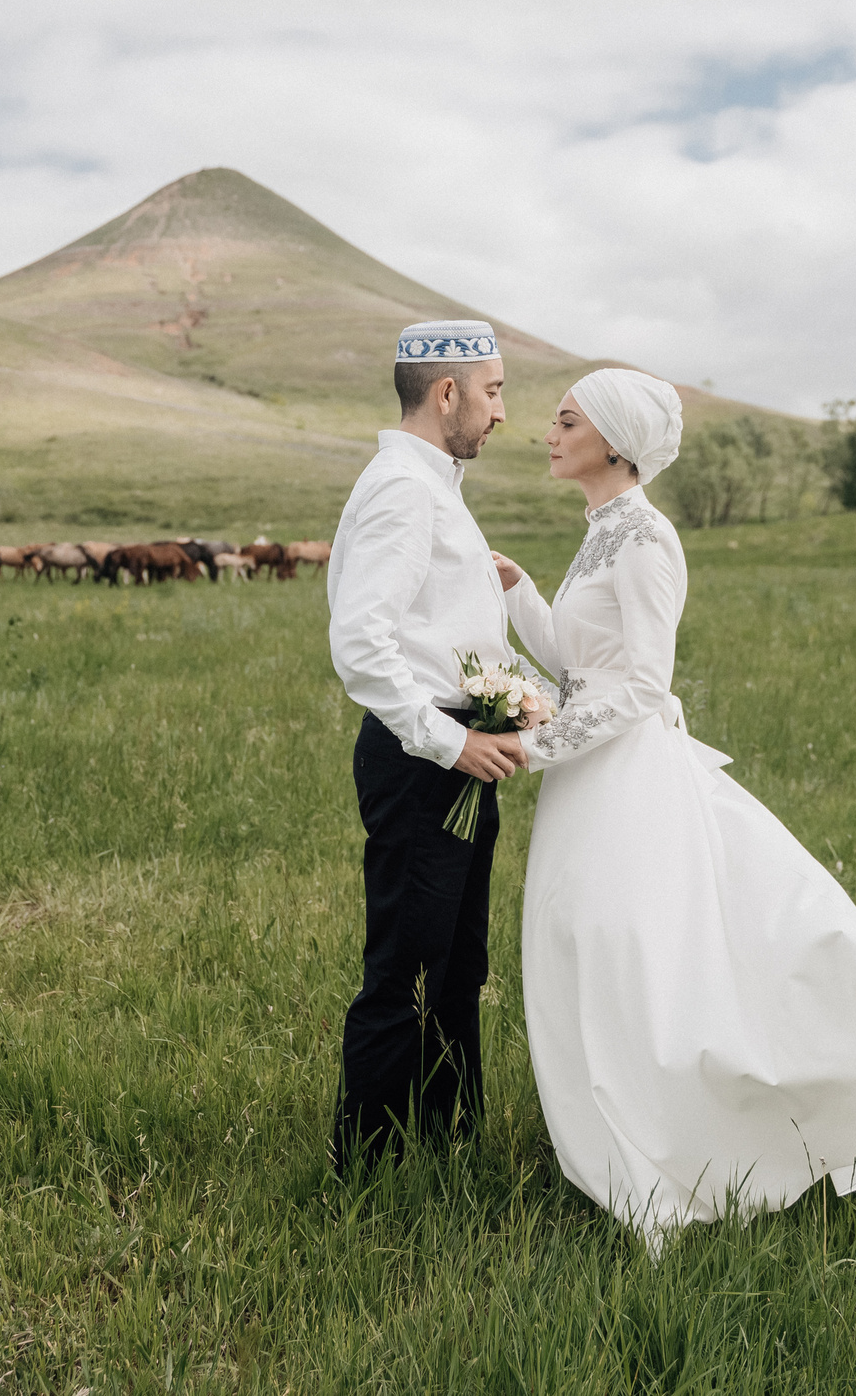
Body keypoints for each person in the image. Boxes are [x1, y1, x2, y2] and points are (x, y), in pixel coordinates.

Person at [492, 369, 856, 1247]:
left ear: (613, 441)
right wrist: (518, 593)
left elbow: (645, 681)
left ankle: (683, 1146)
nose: (547, 430)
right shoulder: (601, 531)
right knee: (585, 954)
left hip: (627, 779)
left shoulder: (648, 537)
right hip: (587, 780)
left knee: (636, 957)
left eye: (565, 419)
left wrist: (534, 747)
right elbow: (581, 663)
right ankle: (612, 1140)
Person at [324, 319, 526, 1170]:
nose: (502, 413)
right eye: (493, 392)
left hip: (457, 750)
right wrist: (451, 744)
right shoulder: (406, 489)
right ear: (446, 393)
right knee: (404, 969)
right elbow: (361, 642)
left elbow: (424, 624)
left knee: (457, 962)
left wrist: (487, 582)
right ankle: (366, 1167)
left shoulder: (434, 487)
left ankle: (446, 1140)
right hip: (423, 763)